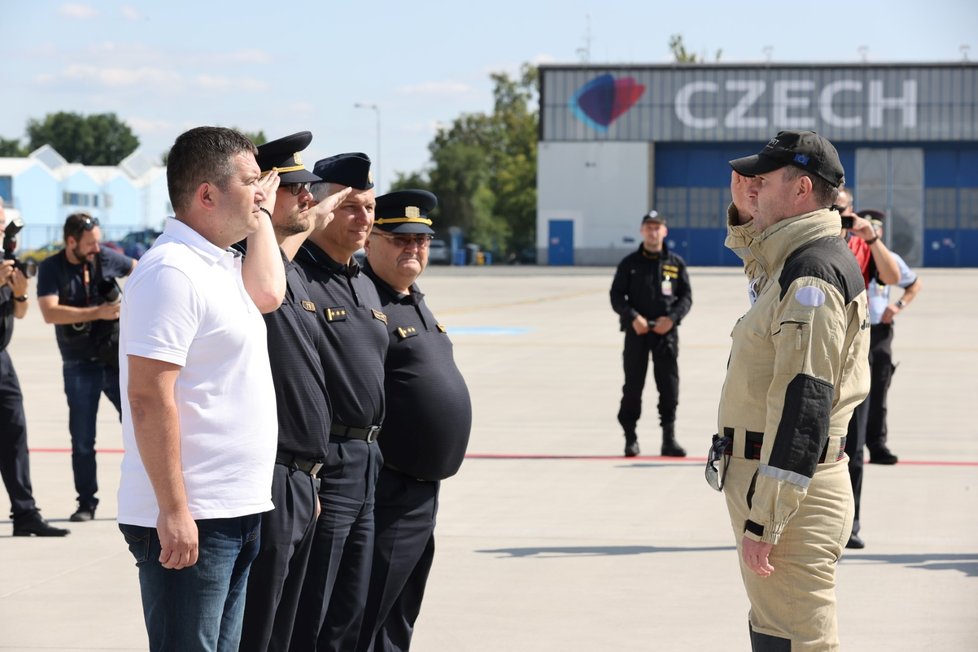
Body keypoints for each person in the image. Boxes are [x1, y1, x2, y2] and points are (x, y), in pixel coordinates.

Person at [116, 126, 284, 651]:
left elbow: (269, 293)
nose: (263, 193)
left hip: (234, 510)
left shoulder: (220, 264)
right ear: (207, 195)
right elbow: (148, 398)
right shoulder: (172, 272)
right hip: (193, 518)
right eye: (251, 181)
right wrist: (173, 510)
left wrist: (261, 218)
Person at [720, 130, 869, 650]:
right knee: (775, 628)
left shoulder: (812, 275)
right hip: (775, 484)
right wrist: (746, 214)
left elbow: (804, 403)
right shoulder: (797, 258)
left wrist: (767, 516)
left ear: (802, 188)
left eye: (764, 180)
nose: (752, 187)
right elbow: (761, 270)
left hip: (790, 495)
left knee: (797, 638)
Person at [236, 131, 352, 652]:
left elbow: (298, 234)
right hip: (271, 475)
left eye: (310, 189)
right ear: (261, 192)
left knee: (283, 630)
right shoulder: (244, 266)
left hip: (302, 479)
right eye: (294, 187)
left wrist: (311, 480)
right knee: (258, 629)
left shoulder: (288, 269)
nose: (308, 195)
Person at [357, 190, 472, 652]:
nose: (413, 248)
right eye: (400, 239)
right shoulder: (364, 299)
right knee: (368, 614)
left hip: (422, 491)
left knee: (399, 614)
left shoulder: (412, 299)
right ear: (370, 240)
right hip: (388, 488)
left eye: (421, 240)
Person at [291, 153, 388, 652]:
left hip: (369, 463)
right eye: (351, 206)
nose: (364, 218)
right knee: (313, 607)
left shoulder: (364, 279)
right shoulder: (297, 275)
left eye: (369, 207)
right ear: (325, 205)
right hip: (325, 461)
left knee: (351, 607)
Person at [36, 212, 136, 522]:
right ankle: (86, 503)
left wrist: (132, 305)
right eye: (90, 243)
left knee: (138, 429)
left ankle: (147, 496)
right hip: (79, 363)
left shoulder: (105, 257)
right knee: (82, 439)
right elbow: (50, 313)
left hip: (114, 359)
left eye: (98, 242)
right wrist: (100, 312)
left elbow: (142, 270)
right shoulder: (51, 268)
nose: (97, 248)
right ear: (71, 242)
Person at [833, 193, 901, 550]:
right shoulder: (808, 240)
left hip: (856, 356)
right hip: (815, 354)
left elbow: (892, 276)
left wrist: (872, 237)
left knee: (854, 447)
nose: (838, 216)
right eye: (831, 209)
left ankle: (851, 522)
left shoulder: (862, 243)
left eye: (843, 210)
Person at [0, 198, 69, 537]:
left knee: (14, 436)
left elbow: (20, 314)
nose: (3, 230)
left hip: (2, 361)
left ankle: (25, 514)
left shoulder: (4, 261)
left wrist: (20, 294)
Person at [610, 210, 692, 458]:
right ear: (642, 231)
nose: (653, 231)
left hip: (665, 334)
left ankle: (669, 439)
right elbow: (616, 296)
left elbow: (686, 297)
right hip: (637, 333)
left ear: (664, 231)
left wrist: (673, 319)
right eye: (649, 227)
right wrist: (632, 317)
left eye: (657, 227)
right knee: (633, 386)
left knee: (669, 386)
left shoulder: (675, 264)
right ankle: (630, 438)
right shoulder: (630, 264)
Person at [861, 210, 921, 465]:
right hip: (853, 330)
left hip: (879, 331)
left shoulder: (889, 259)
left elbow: (913, 284)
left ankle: (877, 445)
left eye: (877, 228)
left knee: (878, 388)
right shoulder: (852, 255)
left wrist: (897, 305)